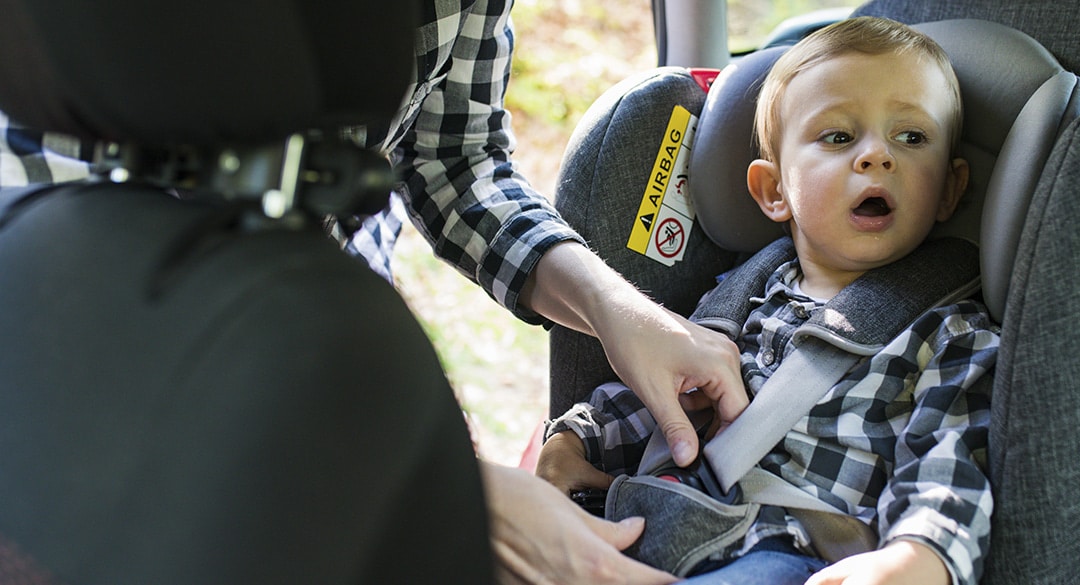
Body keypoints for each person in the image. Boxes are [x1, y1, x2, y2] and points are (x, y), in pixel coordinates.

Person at [0, 1, 747, 583]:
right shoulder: (51, 240)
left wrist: (617, 311)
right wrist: (457, 500)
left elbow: (456, 159)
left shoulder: (347, 347)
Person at [536, 17, 999, 585]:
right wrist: (571, 438)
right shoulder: (741, 299)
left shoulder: (952, 333)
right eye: (839, 137)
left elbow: (952, 458)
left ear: (951, 188)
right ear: (774, 191)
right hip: (653, 524)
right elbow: (661, 395)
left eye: (911, 137)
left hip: (790, 555)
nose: (877, 156)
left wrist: (917, 557)